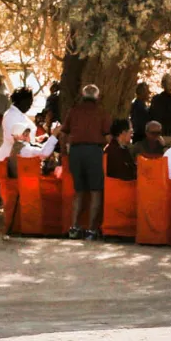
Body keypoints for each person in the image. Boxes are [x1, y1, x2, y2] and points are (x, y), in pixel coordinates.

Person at [64, 84, 106, 240]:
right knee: (96, 191)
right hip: (94, 152)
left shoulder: (73, 111)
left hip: (75, 152)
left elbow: (64, 132)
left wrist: (64, 152)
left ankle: (74, 227)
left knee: (79, 191)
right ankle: (91, 229)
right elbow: (107, 135)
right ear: (97, 97)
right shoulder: (101, 112)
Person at [0, 87, 36, 165]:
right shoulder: (10, 115)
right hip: (9, 157)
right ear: (22, 101)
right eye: (29, 102)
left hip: (18, 156)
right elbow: (15, 138)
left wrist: (36, 139)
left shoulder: (20, 114)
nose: (30, 105)